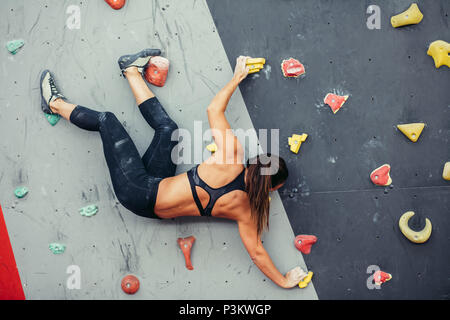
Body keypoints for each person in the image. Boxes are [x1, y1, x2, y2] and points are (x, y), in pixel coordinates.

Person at [39, 49, 306, 288]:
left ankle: (53, 104)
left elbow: (214, 109)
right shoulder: (246, 210)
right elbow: (257, 252)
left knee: (107, 120)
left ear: (258, 160)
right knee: (170, 132)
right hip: (154, 196)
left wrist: (237, 77)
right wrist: (284, 281)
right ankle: (130, 69)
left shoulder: (232, 156)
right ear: (275, 187)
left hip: (135, 190)